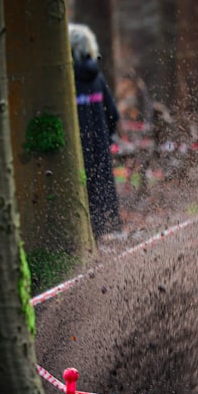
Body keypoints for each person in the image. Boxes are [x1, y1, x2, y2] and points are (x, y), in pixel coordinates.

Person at [69, 22, 123, 238]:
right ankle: (103, 234)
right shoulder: (97, 78)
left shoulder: (67, 81)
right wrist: (105, 137)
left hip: (76, 150)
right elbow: (113, 114)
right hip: (99, 148)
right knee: (100, 191)